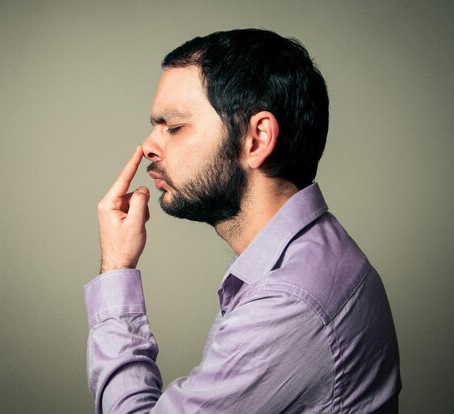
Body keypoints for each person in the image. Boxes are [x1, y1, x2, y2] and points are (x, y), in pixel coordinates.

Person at [84, 29, 401, 413]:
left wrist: (117, 268)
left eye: (175, 127)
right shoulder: (315, 255)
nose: (149, 145)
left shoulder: (290, 304)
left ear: (256, 139)